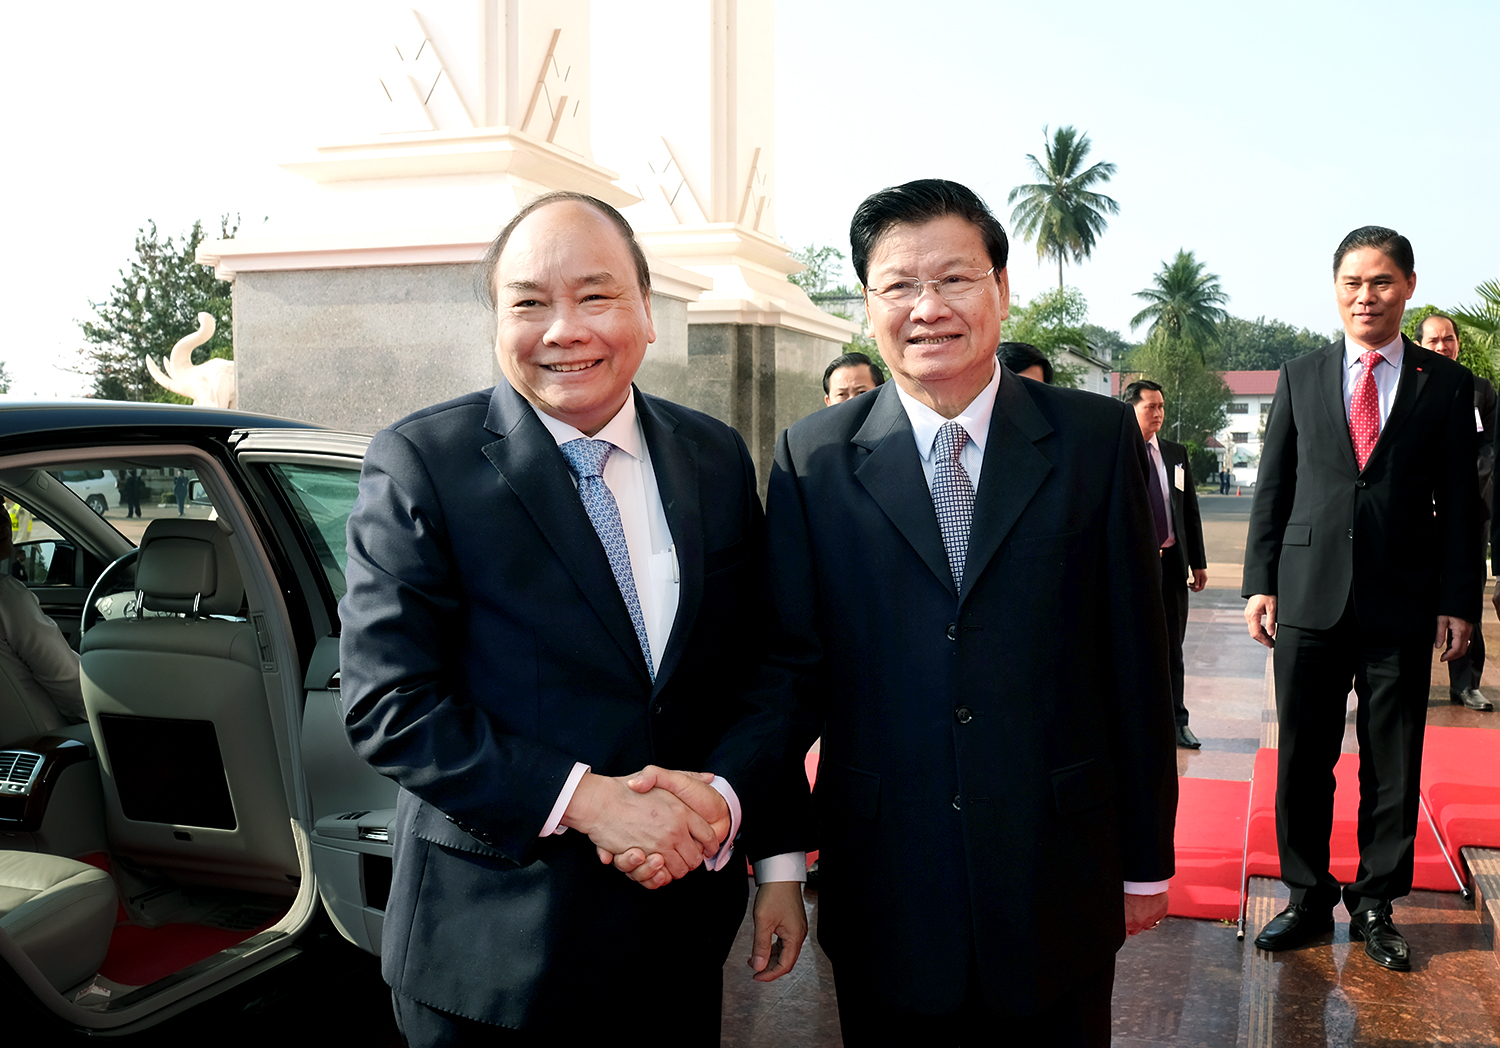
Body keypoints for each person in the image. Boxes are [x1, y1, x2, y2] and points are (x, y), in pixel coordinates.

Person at [338, 191, 809, 1045]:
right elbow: (390, 706)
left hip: (676, 944)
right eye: (529, 302)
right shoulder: (420, 464)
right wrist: (586, 801)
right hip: (492, 962)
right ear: (495, 321)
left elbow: (763, 670)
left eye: (596, 296)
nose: (564, 329)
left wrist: (756, 836)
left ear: (647, 311)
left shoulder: (712, 455)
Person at [755, 179, 1178, 1046]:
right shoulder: (812, 459)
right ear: (867, 304)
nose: (928, 308)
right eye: (899, 286)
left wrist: (1145, 861)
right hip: (886, 878)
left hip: (1056, 869)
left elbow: (1136, 662)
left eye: (954, 279)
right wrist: (780, 866)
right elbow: (787, 676)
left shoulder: (1095, 442)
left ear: (1001, 289)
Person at [1244, 227, 1481, 972]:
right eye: (1351, 281)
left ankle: (1378, 900)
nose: (1364, 295)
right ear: (1335, 288)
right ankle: (1307, 896)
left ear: (1408, 285)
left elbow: (1462, 507)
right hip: (1309, 597)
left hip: (1402, 601)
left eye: (1380, 281)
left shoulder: (1444, 387)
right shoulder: (1303, 372)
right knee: (1304, 758)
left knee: (1394, 762)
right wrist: (1261, 581)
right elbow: (1273, 486)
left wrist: (1458, 600)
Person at [1125, 379, 1209, 748]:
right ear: (1131, 408)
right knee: (1133, 645)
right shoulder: (1118, 451)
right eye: (1150, 407)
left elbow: (1188, 510)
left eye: (1161, 407)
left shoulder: (1175, 453)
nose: (1158, 414)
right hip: (1132, 566)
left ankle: (1178, 722)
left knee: (1173, 646)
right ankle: (1136, 724)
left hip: (1173, 563)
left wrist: (1199, 562)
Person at [1417, 312, 1495, 711]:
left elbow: (1488, 451)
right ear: (1419, 346)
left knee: (1465, 597)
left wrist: (1457, 494)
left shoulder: (1478, 390)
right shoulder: (1407, 387)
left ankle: (1466, 684)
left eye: (1448, 339)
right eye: (1433, 341)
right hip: (1414, 514)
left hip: (1466, 514)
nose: (1442, 346)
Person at [0, 512, 85, 736]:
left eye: (0, 503)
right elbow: (71, 687)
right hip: (47, 747)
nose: (2, 518)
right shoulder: (7, 597)